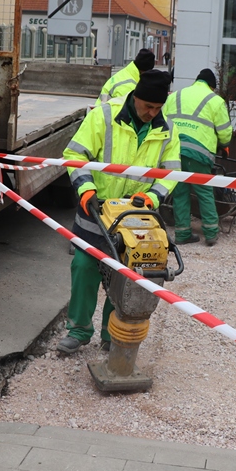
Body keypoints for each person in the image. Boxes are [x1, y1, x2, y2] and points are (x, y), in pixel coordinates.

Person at [57, 70, 181, 354]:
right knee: (84, 268)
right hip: (96, 210)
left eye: (158, 108)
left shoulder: (167, 129)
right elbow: (74, 155)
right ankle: (78, 330)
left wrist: (150, 198)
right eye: (148, 106)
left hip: (134, 217)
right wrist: (86, 189)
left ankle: (110, 333)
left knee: (124, 275)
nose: (152, 113)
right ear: (135, 97)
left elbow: (171, 172)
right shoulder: (103, 116)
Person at [164, 68, 233, 246]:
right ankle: (210, 233)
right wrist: (224, 145)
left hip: (174, 151)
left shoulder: (175, 96)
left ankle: (182, 234)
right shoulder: (215, 100)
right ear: (212, 86)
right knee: (204, 191)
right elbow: (225, 134)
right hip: (198, 152)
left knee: (180, 192)